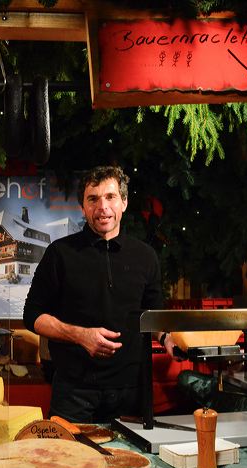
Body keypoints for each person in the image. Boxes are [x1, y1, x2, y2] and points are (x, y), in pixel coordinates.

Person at [23, 166, 175, 423]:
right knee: (67, 462)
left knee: (135, 462)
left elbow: (153, 313)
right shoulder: (60, 254)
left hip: (132, 393)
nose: (102, 207)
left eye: (110, 197)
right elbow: (32, 315)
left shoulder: (145, 256)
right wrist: (80, 335)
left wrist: (168, 337)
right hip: (74, 393)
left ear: (124, 202)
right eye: (93, 199)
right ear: (82, 207)